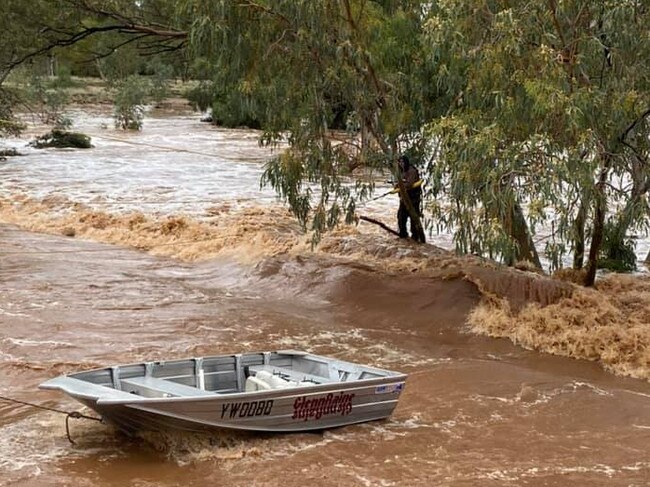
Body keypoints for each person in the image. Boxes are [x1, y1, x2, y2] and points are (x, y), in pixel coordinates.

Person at [396, 155, 424, 242]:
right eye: (400, 162)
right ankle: (403, 235)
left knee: (413, 219)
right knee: (401, 217)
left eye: (403, 162)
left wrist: (400, 185)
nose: (401, 164)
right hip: (404, 199)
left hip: (413, 199)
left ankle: (415, 237)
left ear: (406, 162)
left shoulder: (412, 171)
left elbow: (409, 184)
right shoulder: (401, 171)